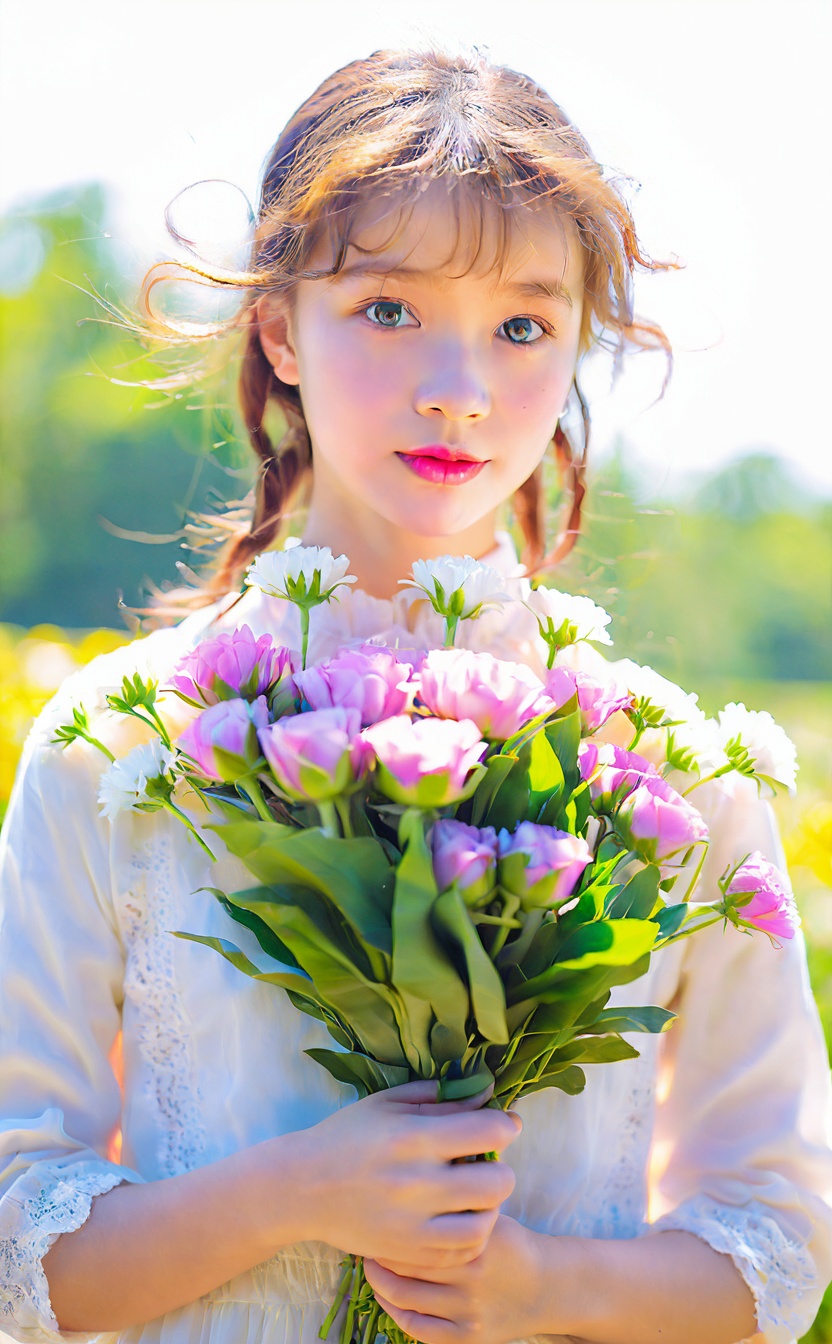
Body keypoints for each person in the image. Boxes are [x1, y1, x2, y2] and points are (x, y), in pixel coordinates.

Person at [0, 44, 830, 1344]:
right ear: (277, 324)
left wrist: (540, 1288)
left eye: (523, 325)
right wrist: (299, 1191)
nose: (461, 389)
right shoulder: (113, 749)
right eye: (389, 309)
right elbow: (14, 1248)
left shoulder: (673, 777)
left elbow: (777, 1251)